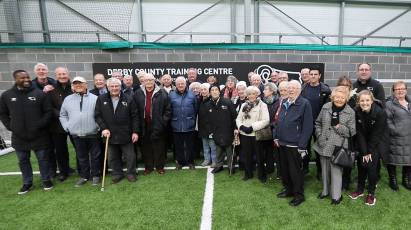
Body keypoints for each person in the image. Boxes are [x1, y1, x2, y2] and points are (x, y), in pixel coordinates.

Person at [0, 70, 54, 194]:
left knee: (43, 159)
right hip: (19, 136)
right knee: (23, 160)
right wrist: (11, 126)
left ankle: (46, 180)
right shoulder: (7, 95)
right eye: (22, 78)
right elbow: (3, 113)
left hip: (39, 135)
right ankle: (27, 182)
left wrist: (40, 125)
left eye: (27, 77)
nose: (26, 79)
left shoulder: (39, 94)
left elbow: (48, 112)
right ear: (15, 79)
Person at [313, 86, 356, 205]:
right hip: (323, 143)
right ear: (333, 97)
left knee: (336, 171)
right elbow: (318, 123)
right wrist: (320, 135)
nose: (339, 99)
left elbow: (352, 131)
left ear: (346, 98)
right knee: (325, 170)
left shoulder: (350, 112)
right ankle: (325, 191)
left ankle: (336, 196)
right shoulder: (326, 107)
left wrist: (339, 126)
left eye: (342, 97)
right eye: (337, 97)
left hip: (338, 146)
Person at [274, 80, 313, 207]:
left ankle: (298, 195)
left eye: (294, 88)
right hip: (282, 143)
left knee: (295, 172)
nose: (290, 90)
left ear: (299, 90)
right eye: (289, 88)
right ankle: (288, 190)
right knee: (285, 170)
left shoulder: (304, 104)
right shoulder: (284, 102)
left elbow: (308, 127)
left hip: (295, 145)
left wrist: (302, 145)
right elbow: (278, 120)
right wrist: (276, 137)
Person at [94, 77, 139, 183]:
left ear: (120, 86)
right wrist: (103, 128)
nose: (114, 88)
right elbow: (97, 115)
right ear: (108, 87)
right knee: (113, 157)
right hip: (110, 133)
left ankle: (131, 173)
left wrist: (135, 131)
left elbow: (135, 116)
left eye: (117, 86)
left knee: (130, 156)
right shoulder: (101, 98)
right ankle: (117, 174)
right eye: (112, 86)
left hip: (126, 133)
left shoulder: (129, 98)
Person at [60, 76, 102, 187]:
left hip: (93, 133)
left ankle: (96, 175)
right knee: (81, 156)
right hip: (76, 134)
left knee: (95, 156)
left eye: (80, 83)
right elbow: (63, 115)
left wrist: (98, 126)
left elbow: (100, 114)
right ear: (73, 86)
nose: (78, 85)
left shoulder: (95, 98)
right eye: (75, 84)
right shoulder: (68, 99)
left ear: (86, 84)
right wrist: (67, 126)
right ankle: (84, 176)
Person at [349, 90, 388, 206]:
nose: (364, 103)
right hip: (363, 143)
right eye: (362, 100)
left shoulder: (380, 112)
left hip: (376, 143)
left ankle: (371, 193)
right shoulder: (356, 111)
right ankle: (360, 190)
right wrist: (364, 152)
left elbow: (377, 135)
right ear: (358, 101)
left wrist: (369, 152)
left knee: (371, 168)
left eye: (367, 100)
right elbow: (359, 133)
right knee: (361, 166)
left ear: (372, 100)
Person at [134, 73, 171, 175]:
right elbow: (135, 111)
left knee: (159, 147)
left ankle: (160, 167)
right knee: (146, 147)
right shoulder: (138, 93)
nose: (149, 82)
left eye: (151, 80)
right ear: (143, 81)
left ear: (154, 81)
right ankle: (148, 167)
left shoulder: (162, 93)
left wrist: (162, 122)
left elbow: (168, 111)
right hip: (144, 125)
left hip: (158, 124)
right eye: (146, 80)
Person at [301, 67, 331, 178]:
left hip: (320, 124)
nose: (313, 76)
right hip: (306, 123)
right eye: (311, 74)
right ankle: (305, 169)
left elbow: (328, 108)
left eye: (315, 74)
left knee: (320, 148)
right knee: (305, 147)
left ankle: (320, 170)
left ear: (319, 76)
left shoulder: (325, 90)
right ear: (308, 75)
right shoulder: (303, 89)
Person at [236, 86, 270, 182]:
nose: (251, 96)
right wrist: (242, 127)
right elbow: (238, 119)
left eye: (253, 94)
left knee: (260, 157)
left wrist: (252, 127)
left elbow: (266, 120)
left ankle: (262, 175)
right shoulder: (244, 105)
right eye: (249, 94)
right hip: (245, 135)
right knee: (247, 156)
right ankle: (248, 174)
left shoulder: (262, 105)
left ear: (257, 94)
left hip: (256, 134)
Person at [48, 67, 73, 182]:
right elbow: (49, 107)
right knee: (60, 150)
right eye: (60, 74)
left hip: (74, 123)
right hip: (57, 125)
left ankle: (83, 169)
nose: (62, 76)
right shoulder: (51, 89)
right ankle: (64, 171)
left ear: (68, 75)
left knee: (79, 147)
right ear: (56, 75)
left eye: (64, 74)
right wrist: (62, 115)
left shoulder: (74, 87)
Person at [385, 81, 411, 191]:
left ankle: (406, 180)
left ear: (406, 89)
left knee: (409, 159)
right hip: (395, 137)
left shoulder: (410, 102)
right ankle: (393, 180)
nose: (400, 91)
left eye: (402, 88)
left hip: (409, 137)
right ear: (393, 91)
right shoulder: (389, 104)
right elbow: (387, 121)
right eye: (397, 89)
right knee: (392, 159)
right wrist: (396, 131)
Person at [169, 76, 199, 170]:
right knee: (178, 146)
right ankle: (180, 162)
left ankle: (190, 162)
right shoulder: (171, 95)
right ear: (176, 85)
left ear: (186, 84)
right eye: (178, 84)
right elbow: (169, 110)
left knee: (190, 145)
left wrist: (192, 120)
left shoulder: (192, 95)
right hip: (176, 125)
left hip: (189, 124)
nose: (180, 85)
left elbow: (195, 109)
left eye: (182, 83)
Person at [208, 85, 237, 174]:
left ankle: (231, 167)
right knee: (219, 150)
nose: (214, 91)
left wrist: (235, 128)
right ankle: (219, 166)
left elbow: (234, 116)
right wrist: (210, 131)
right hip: (216, 131)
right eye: (212, 90)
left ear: (219, 91)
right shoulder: (208, 104)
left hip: (227, 130)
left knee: (229, 151)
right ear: (210, 93)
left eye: (216, 90)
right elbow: (208, 120)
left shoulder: (227, 102)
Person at [336, 75, 356, 190]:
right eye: (342, 85)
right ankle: (336, 180)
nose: (345, 87)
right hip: (336, 133)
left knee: (347, 157)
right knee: (336, 157)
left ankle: (345, 182)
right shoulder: (334, 98)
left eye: (347, 86)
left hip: (350, 135)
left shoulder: (354, 100)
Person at [261, 82, 279, 177]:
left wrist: (270, 124)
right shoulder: (262, 101)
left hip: (274, 129)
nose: (263, 91)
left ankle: (275, 170)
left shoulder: (278, 102)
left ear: (271, 91)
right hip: (264, 130)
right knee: (266, 150)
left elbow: (278, 117)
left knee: (274, 151)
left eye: (265, 89)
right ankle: (268, 168)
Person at [198, 83, 216, 167]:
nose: (203, 91)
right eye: (202, 89)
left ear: (209, 91)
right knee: (205, 146)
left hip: (211, 128)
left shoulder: (212, 100)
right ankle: (207, 160)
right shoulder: (199, 100)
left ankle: (214, 161)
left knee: (213, 146)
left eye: (205, 89)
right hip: (202, 128)